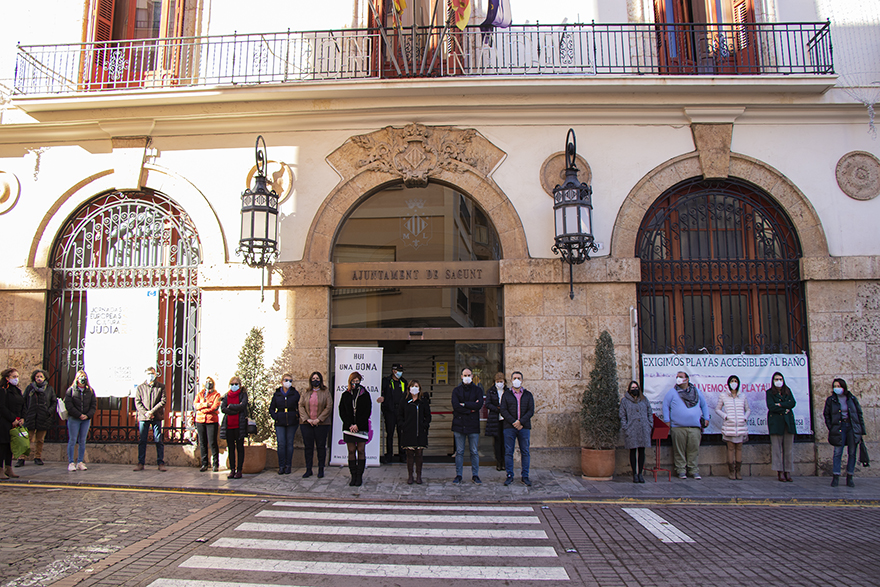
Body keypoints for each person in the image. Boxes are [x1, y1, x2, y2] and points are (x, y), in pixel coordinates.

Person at [662, 371, 709, 480]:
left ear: (687, 379)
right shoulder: (672, 392)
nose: (678, 378)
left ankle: (693, 470)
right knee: (679, 450)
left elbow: (704, 405)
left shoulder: (696, 392)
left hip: (694, 427)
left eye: (680, 377)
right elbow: (665, 405)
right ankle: (681, 470)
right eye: (677, 377)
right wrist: (667, 420)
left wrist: (706, 418)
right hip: (678, 427)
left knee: (693, 450)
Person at [823, 378, 865, 487]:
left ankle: (850, 476)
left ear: (843, 387)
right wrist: (831, 427)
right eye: (835, 386)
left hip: (851, 427)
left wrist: (861, 430)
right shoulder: (831, 400)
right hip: (839, 427)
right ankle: (836, 475)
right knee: (838, 452)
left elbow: (858, 414)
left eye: (839, 386)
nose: (837, 388)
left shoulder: (851, 398)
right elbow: (826, 414)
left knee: (852, 452)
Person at [500, 371, 534, 486]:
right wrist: (514, 422)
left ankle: (525, 476)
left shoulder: (528, 395)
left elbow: (530, 411)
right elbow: (503, 410)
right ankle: (509, 475)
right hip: (509, 427)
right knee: (509, 451)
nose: (516, 380)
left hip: (524, 427)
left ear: (522, 380)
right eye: (514, 378)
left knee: (525, 451)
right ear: (511, 380)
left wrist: (521, 422)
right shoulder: (506, 394)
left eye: (519, 378)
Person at [451, 367, 484, 484]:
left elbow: (479, 405)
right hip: (459, 424)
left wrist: (464, 405)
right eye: (465, 375)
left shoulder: (478, 390)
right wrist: (470, 409)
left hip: (473, 425)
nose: (467, 377)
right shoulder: (456, 390)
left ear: (472, 376)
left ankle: (475, 475)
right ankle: (458, 475)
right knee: (459, 451)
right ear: (461, 377)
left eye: (469, 375)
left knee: (474, 451)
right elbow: (456, 406)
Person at [339, 371, 371, 487]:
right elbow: (342, 410)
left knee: (361, 450)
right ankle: (353, 475)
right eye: (353, 381)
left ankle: (359, 476)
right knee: (351, 451)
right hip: (349, 427)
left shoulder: (365, 394)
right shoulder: (345, 394)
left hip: (361, 427)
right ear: (350, 382)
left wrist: (358, 425)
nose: (355, 383)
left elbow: (367, 411)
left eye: (357, 381)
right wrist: (350, 424)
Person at [715, 374, 750, 480]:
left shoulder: (742, 396)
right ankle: (731, 471)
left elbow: (748, 409)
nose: (734, 383)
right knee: (730, 448)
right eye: (732, 381)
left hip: (740, 426)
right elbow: (717, 409)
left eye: (735, 381)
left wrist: (745, 418)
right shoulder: (723, 395)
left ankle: (738, 471)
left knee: (739, 448)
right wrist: (725, 416)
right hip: (729, 426)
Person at [298, 371, 331, 479]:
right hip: (307, 423)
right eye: (313, 379)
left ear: (320, 380)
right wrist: (307, 419)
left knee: (321, 447)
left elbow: (328, 406)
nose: (315, 380)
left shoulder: (325, 391)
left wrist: (319, 419)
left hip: (321, 424)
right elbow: (301, 405)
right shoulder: (306, 392)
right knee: (308, 447)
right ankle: (308, 469)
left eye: (317, 378)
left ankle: (321, 469)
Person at [398, 378, 431, 484]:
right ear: (409, 388)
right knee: (409, 454)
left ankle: (419, 475)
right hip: (408, 431)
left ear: (419, 388)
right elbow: (400, 415)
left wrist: (425, 425)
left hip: (420, 431)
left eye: (416, 386)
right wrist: (403, 426)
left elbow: (428, 416)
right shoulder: (404, 401)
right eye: (412, 386)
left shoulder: (423, 401)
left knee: (419, 453)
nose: (414, 388)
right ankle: (410, 475)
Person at [134, 367, 167, 472]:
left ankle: (160, 462)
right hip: (144, 417)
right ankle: (140, 462)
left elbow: (163, 401)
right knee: (142, 440)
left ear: (155, 374)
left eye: (152, 373)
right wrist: (146, 413)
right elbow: (138, 402)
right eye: (148, 373)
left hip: (156, 416)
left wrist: (152, 412)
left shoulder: (161, 387)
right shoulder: (140, 387)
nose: (150, 375)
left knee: (158, 440)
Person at [619, 380, 652, 484]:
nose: (635, 389)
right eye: (632, 388)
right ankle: (634, 473)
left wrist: (649, 424)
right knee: (632, 451)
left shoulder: (644, 400)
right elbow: (622, 415)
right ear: (629, 389)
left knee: (642, 451)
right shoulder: (625, 401)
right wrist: (625, 427)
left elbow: (649, 412)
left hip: (643, 429)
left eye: (636, 387)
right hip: (631, 429)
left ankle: (640, 473)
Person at [22, 369, 56, 467]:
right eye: (37, 377)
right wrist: (25, 413)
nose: (39, 378)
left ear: (45, 378)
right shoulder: (30, 388)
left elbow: (54, 401)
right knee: (27, 439)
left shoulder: (49, 389)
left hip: (43, 417)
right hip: (31, 416)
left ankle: (37, 457)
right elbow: (24, 401)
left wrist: (48, 412)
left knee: (40, 440)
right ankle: (22, 457)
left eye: (41, 377)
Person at [766, 371, 796, 482]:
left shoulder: (787, 391)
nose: (778, 381)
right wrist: (784, 409)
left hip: (788, 423)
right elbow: (771, 406)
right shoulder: (770, 393)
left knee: (788, 449)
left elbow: (792, 403)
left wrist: (780, 404)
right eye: (776, 379)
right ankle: (779, 471)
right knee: (776, 449)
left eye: (780, 379)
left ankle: (787, 471)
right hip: (776, 423)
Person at [64, 370, 96, 472]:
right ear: (77, 379)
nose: (83, 379)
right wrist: (79, 414)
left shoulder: (90, 391)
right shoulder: (71, 390)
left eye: (84, 377)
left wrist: (87, 415)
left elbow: (93, 405)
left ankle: (80, 461)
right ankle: (71, 462)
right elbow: (69, 405)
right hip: (74, 418)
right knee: (72, 440)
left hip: (85, 419)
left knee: (82, 441)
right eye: (80, 377)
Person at [270, 373, 300, 475]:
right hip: (280, 421)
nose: (288, 383)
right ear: (282, 381)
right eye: (286, 380)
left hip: (292, 421)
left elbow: (300, 406)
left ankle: (288, 465)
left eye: (290, 381)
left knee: (289, 444)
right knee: (281, 444)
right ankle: (281, 465)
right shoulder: (277, 394)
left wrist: (296, 415)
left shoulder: (295, 393)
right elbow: (271, 408)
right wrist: (276, 416)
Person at [220, 376, 248, 479]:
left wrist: (231, 406)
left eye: (236, 384)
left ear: (240, 385)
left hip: (239, 425)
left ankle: (239, 470)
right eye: (232, 384)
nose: (234, 386)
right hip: (229, 426)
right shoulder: (226, 395)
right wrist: (235, 410)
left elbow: (243, 406)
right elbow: (223, 408)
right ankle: (232, 469)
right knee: (231, 448)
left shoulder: (243, 394)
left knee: (240, 448)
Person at [0, 368, 26, 480]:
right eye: (14, 377)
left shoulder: (17, 391)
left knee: (11, 446)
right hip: (4, 422)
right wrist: (12, 418)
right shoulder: (3, 390)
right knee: (3, 446)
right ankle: (0, 469)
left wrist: (22, 418)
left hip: (16, 422)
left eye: (17, 376)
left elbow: (22, 405)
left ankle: (8, 468)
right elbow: (2, 407)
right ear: (7, 378)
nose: (16, 379)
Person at [380, 363, 407, 464]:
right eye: (398, 371)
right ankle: (389, 455)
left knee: (401, 434)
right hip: (390, 411)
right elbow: (381, 393)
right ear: (393, 371)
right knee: (390, 434)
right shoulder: (386, 381)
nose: (400, 373)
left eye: (401, 371)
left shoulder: (403, 382)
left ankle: (402, 455)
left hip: (401, 412)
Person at [194, 377, 221, 472]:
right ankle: (204, 463)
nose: (208, 383)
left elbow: (214, 406)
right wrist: (206, 405)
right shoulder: (200, 394)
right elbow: (196, 405)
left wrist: (203, 409)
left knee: (212, 442)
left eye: (210, 382)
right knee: (202, 442)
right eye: (206, 382)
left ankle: (215, 464)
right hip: (200, 420)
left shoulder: (216, 395)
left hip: (211, 421)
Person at [485, 372, 506, 471]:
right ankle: (498, 461)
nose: (499, 383)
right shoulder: (491, 391)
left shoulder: (507, 391)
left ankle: (504, 461)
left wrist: (503, 409)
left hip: (505, 420)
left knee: (505, 441)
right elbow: (488, 404)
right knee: (497, 441)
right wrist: (497, 409)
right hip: (495, 419)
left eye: (501, 381)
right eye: (498, 381)